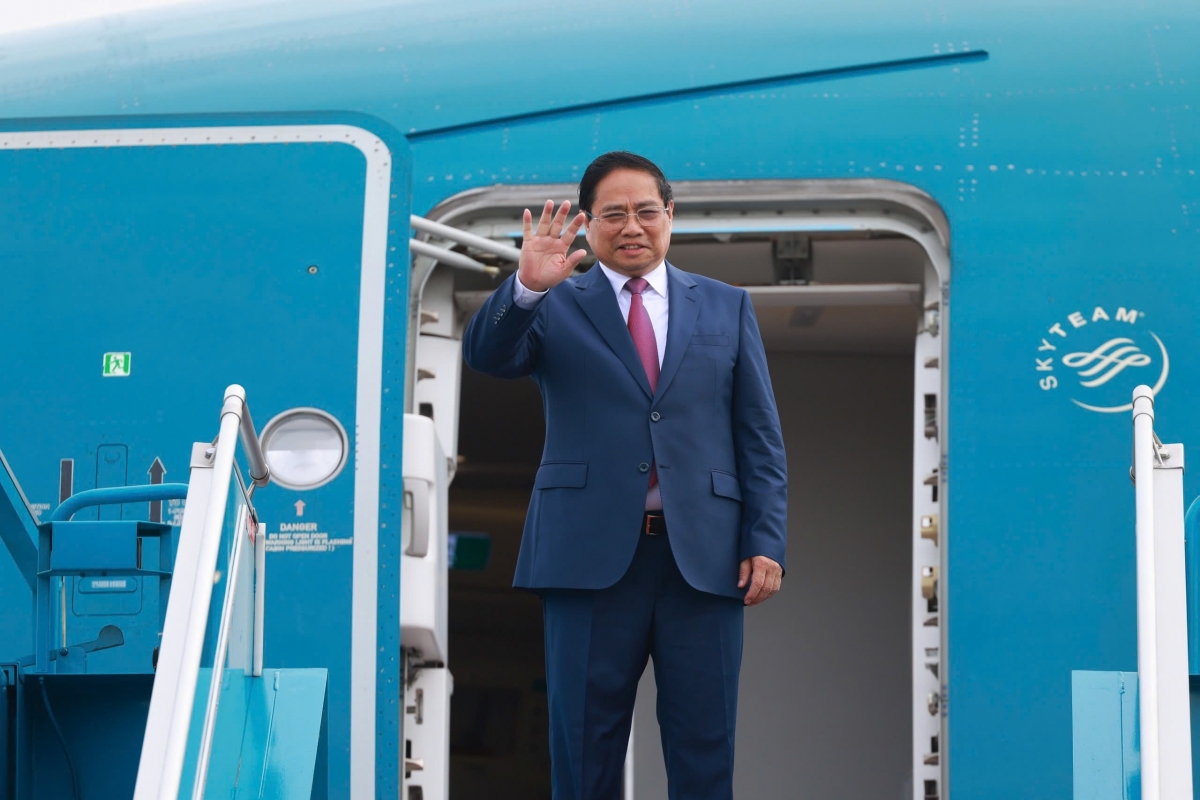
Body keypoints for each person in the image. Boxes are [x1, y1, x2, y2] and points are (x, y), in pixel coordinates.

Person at [463, 151, 787, 799]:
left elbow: (759, 437)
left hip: (704, 559)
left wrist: (766, 540)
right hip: (586, 557)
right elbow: (488, 357)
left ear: (670, 215)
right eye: (614, 214)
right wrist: (526, 287)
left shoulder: (726, 306)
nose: (632, 226)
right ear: (587, 224)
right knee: (584, 749)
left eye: (646, 211)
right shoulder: (554, 301)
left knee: (705, 750)